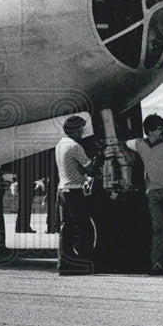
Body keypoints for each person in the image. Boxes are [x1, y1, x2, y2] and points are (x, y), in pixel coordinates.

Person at [125, 114, 163, 275]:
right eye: (160, 129)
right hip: (153, 191)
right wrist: (128, 156)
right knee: (158, 228)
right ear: (150, 131)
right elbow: (121, 144)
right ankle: (157, 264)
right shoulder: (139, 144)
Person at [55, 116, 101, 275]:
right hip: (74, 191)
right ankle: (84, 262)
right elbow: (91, 170)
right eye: (81, 129)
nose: (82, 132)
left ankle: (64, 263)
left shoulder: (60, 144)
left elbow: (73, 167)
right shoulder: (75, 146)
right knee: (84, 227)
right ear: (74, 130)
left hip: (62, 188)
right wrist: (98, 160)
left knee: (66, 227)